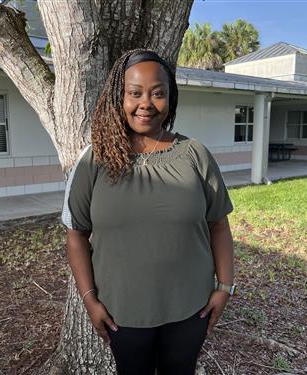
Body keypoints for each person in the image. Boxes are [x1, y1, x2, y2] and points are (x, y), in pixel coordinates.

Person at [61, 49, 235, 375]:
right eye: (135, 93)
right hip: (122, 315)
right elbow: (76, 235)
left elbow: (219, 227)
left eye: (158, 93)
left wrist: (224, 288)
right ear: (119, 97)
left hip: (190, 311)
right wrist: (89, 300)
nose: (146, 103)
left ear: (170, 98)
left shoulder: (195, 155)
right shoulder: (94, 159)